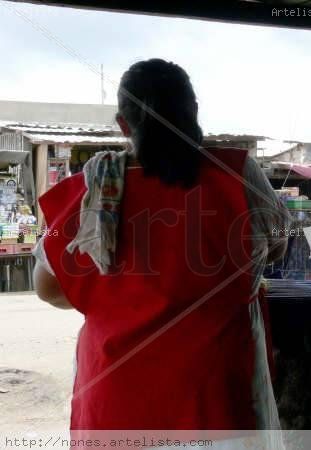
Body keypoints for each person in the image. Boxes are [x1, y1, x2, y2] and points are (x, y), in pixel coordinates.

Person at [32, 59, 290, 446]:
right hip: (216, 402)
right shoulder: (238, 173)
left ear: (123, 124)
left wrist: (115, 295)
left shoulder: (88, 192)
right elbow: (280, 238)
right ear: (194, 113)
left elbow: (48, 287)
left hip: (116, 402)